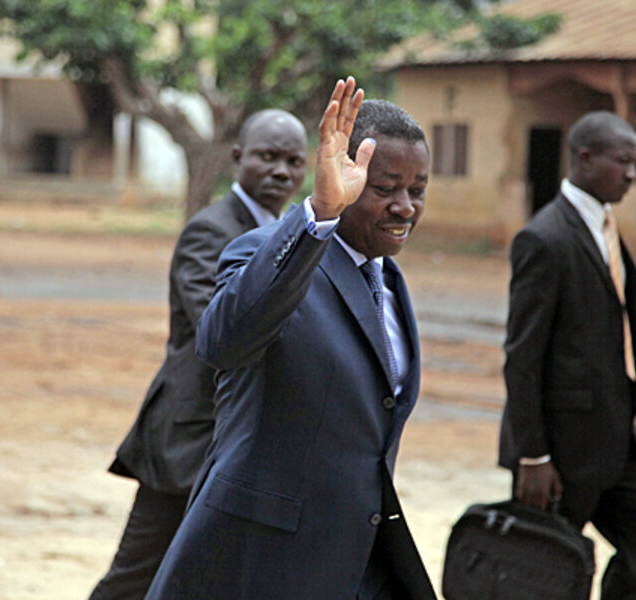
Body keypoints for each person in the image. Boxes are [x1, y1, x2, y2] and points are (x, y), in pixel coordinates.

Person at [144, 77, 435, 600]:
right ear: (341, 173)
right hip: (260, 561)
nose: (405, 207)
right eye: (386, 188)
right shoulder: (264, 252)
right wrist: (321, 216)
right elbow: (222, 344)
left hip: (353, 561)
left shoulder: (389, 281)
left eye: (417, 191)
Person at [87, 109, 309, 600]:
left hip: (233, 434)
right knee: (136, 577)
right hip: (187, 437)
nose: (281, 172)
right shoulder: (210, 231)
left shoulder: (288, 234)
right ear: (237, 160)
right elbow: (224, 329)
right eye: (267, 157)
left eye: (294, 161)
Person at [499, 111, 636, 599]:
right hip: (561, 446)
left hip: (615, 436)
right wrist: (533, 454)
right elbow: (522, 355)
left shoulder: (604, 224)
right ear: (585, 158)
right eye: (623, 162)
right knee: (551, 568)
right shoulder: (545, 237)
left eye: (635, 163)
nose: (633, 175)